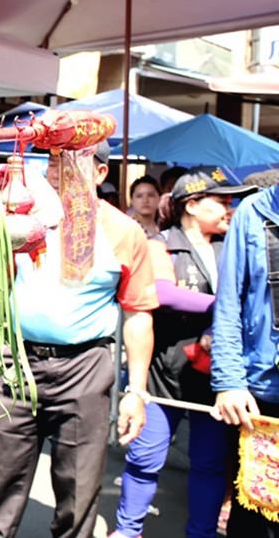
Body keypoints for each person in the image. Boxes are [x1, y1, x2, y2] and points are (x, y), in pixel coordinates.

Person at [0, 140, 156, 538]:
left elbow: (139, 314)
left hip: (84, 368)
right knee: (0, 478)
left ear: (101, 173)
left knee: (79, 487)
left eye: (71, 163)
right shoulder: (20, 215)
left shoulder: (123, 232)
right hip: (15, 360)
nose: (57, 172)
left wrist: (137, 392)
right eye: (52, 162)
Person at [111, 167, 256, 538]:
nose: (229, 208)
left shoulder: (232, 245)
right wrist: (223, 306)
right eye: (221, 201)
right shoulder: (161, 244)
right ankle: (128, 531)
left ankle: (202, 533)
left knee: (210, 465)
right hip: (163, 374)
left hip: (214, 377)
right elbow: (162, 292)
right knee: (145, 459)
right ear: (191, 204)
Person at [211, 182, 279, 536]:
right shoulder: (253, 212)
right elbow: (228, 305)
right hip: (261, 391)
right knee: (256, 509)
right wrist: (229, 381)